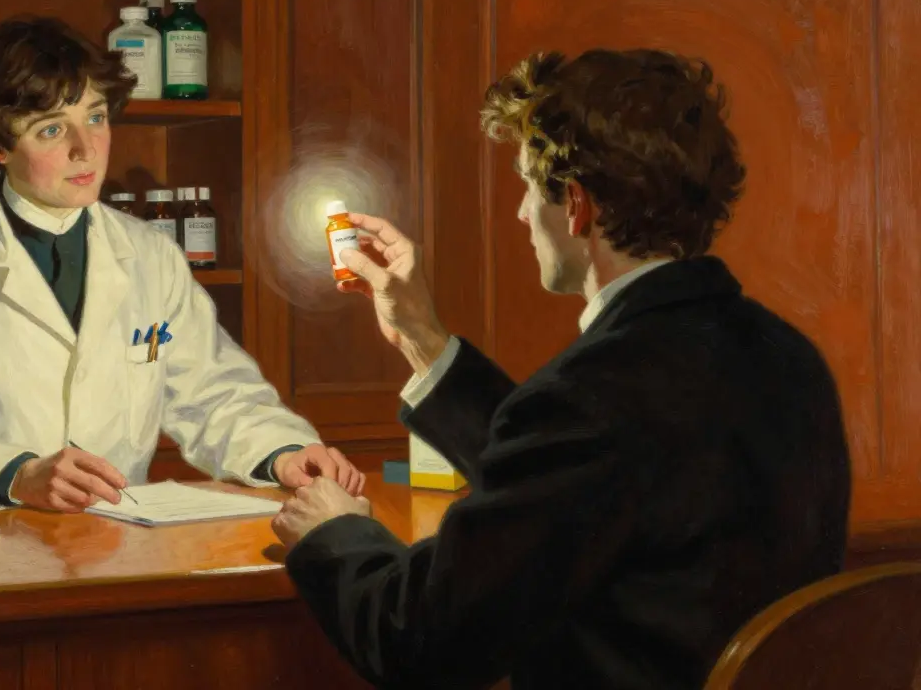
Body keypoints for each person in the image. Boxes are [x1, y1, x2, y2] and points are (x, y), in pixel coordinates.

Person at [270, 49, 851, 689]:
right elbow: (578, 486)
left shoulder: (593, 398)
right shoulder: (788, 358)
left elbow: (417, 639)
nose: (523, 214)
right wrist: (420, 337)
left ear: (576, 206)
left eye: (527, 185)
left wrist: (337, 531)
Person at [0, 16, 365, 512]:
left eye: (96, 117)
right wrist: (17, 474)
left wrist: (283, 452)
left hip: (120, 537)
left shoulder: (150, 256)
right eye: (52, 129)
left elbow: (213, 392)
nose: (85, 149)